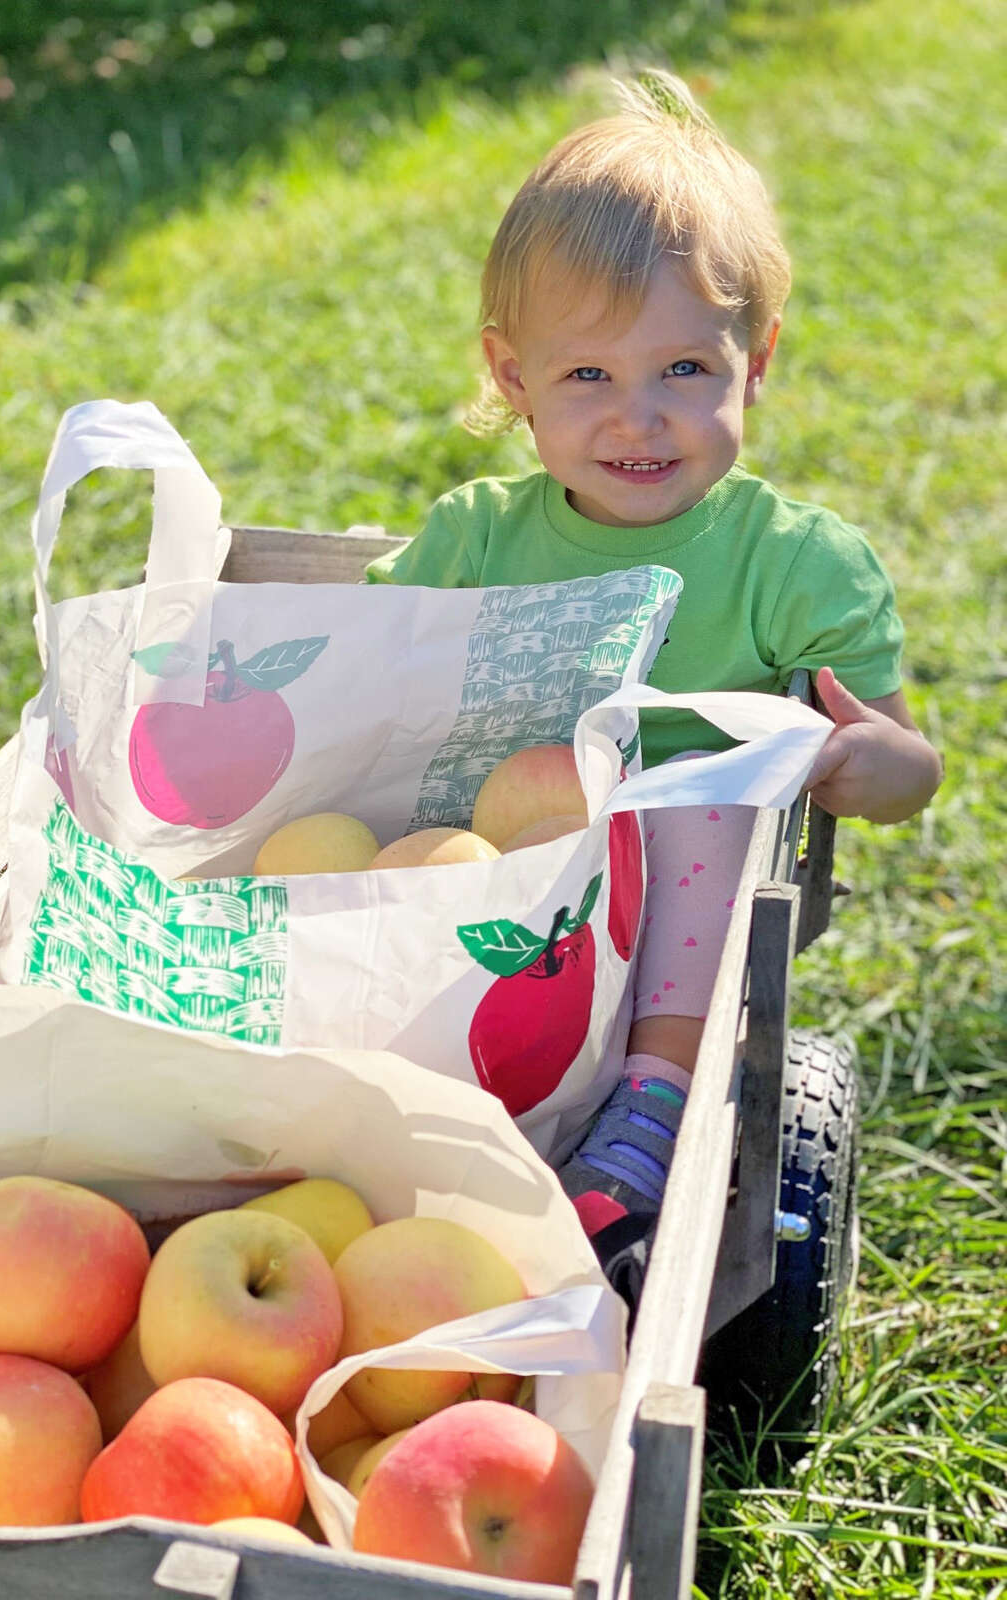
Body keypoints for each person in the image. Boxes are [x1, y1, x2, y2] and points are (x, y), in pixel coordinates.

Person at [365, 71, 942, 1245]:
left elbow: (910, 767)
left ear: (757, 359)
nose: (640, 418)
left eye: (686, 369)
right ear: (513, 377)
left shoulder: (797, 565)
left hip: (683, 908)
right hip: (506, 871)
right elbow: (364, 674)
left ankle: (657, 1100)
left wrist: (865, 761)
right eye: (590, 376)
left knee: (698, 810)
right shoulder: (475, 539)